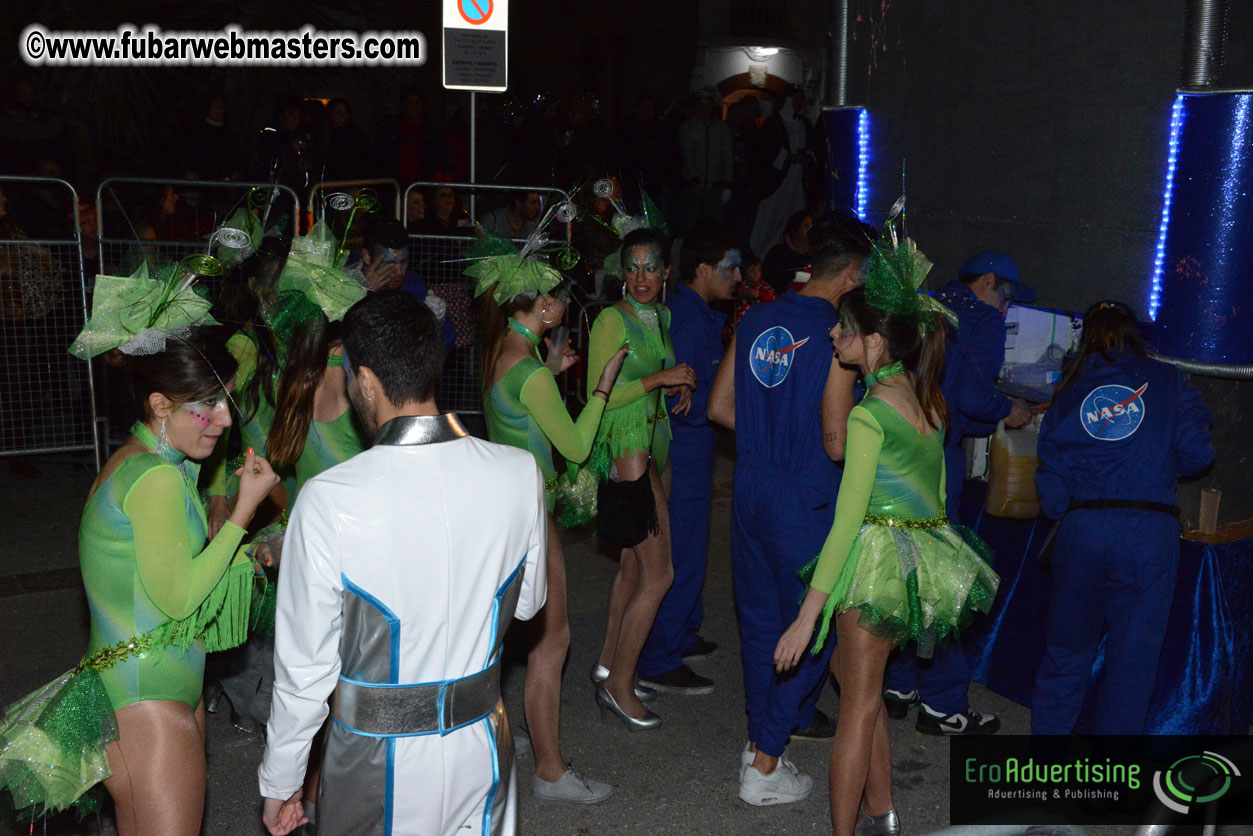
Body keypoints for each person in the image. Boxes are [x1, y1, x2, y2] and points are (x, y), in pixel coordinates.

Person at [0, 263, 278, 833]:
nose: (225, 420)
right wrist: (244, 512)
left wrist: (247, 554)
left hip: (151, 685)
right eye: (209, 404)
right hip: (146, 699)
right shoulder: (152, 480)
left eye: (226, 402)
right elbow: (178, 598)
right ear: (159, 405)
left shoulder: (148, 465)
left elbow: (165, 578)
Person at [258, 291, 548, 836]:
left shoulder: (327, 499)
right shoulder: (518, 471)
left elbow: (304, 675)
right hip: (483, 743)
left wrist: (281, 782)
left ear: (365, 381)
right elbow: (529, 605)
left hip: (375, 761)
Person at [774, 246, 1000, 836]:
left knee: (855, 707)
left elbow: (847, 521)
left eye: (845, 331)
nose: (834, 335)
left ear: (875, 341)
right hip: (919, 561)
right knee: (862, 688)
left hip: (873, 558)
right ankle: (883, 811)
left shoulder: (870, 414)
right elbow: (942, 501)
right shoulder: (930, 401)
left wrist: (807, 617)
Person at [707, 213, 871, 806]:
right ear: (852, 275)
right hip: (806, 494)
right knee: (814, 630)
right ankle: (767, 763)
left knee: (759, 626)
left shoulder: (758, 317)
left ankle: (758, 745)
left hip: (751, 486)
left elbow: (719, 407)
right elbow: (838, 437)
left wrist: (767, 434)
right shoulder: (840, 335)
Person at [475, 248, 626, 803]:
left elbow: (518, 407)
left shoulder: (504, 349)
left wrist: (551, 371)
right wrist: (603, 385)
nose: (565, 304)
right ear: (542, 304)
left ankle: (512, 747)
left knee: (512, 637)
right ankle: (550, 771)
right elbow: (577, 445)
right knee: (550, 641)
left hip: (502, 509)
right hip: (531, 517)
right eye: (559, 296)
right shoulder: (531, 370)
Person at [1031, 300, 1213, 735]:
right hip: (1148, 534)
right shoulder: (1171, 380)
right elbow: (1198, 453)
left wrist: (1071, 511)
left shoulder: (1070, 388)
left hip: (1083, 529)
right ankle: (1108, 787)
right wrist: (1151, 467)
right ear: (1137, 335)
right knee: (1133, 664)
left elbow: (1050, 473)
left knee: (1066, 654)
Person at [882, 250, 1033, 734]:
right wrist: (1005, 406)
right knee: (943, 580)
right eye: (1006, 296)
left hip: (897, 453)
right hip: (939, 458)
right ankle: (944, 702)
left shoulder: (920, 305)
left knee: (904, 566)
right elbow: (970, 395)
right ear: (987, 282)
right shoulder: (982, 319)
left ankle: (899, 682)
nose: (1006, 309)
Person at [585, 227, 696, 730]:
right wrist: (658, 380)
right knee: (660, 574)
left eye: (652, 267)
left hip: (656, 445)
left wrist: (680, 385)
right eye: (632, 267)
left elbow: (660, 372)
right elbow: (599, 395)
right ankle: (619, 684)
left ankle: (609, 663)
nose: (641, 277)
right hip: (627, 448)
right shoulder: (612, 319)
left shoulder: (661, 316)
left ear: (667, 271)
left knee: (633, 566)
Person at [637, 222, 740, 695]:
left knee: (691, 548)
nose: (737, 276)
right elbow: (688, 400)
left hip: (691, 444)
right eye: (729, 268)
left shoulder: (689, 311)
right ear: (702, 270)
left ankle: (681, 632)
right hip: (685, 444)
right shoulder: (690, 318)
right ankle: (660, 657)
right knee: (681, 552)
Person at [347, 216, 456, 353]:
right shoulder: (345, 279)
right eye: (389, 264)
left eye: (403, 262)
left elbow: (445, 346)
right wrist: (361, 293)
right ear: (367, 256)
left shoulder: (413, 286)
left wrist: (437, 323)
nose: (399, 272)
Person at [749, 88, 815, 260]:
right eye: (797, 100)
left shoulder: (805, 124)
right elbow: (765, 151)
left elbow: (811, 148)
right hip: (777, 183)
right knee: (769, 220)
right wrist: (787, 158)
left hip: (797, 181)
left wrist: (806, 159)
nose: (800, 104)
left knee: (795, 220)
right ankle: (758, 258)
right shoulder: (773, 123)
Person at [678, 90, 734, 234]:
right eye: (701, 105)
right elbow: (687, 154)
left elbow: (727, 156)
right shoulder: (688, 128)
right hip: (693, 188)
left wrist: (728, 183)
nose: (705, 109)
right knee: (690, 226)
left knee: (714, 227)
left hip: (715, 187)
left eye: (707, 105)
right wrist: (693, 179)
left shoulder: (722, 129)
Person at [762, 211, 812, 295]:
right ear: (795, 229)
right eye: (807, 226)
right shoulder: (777, 255)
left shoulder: (815, 255)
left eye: (812, 226)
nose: (811, 230)